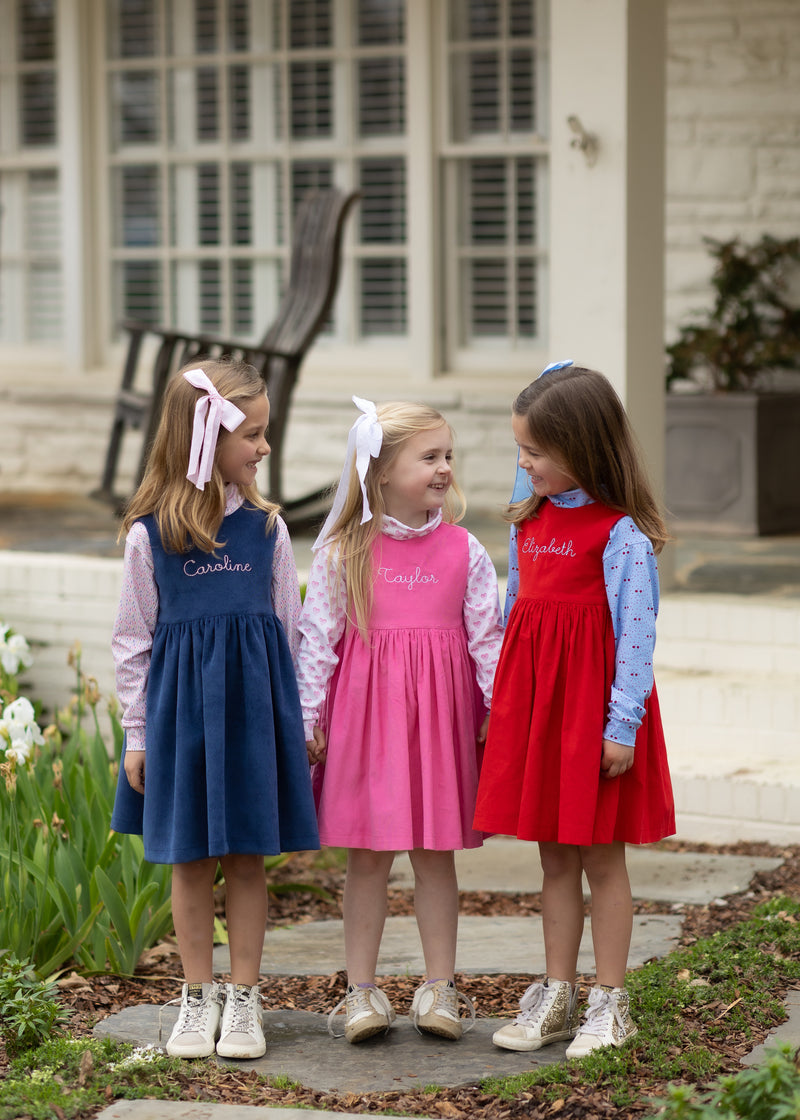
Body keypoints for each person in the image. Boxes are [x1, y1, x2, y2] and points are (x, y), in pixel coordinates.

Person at [110, 360, 319, 1061]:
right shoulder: (151, 536)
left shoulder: (267, 531)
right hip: (181, 727)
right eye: (252, 435)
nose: (263, 449)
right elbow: (133, 641)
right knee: (191, 863)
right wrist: (137, 736)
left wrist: (303, 718)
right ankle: (195, 999)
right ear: (203, 438)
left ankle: (245, 998)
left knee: (249, 861)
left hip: (253, 722)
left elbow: (291, 630)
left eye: (265, 434)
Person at [473, 361, 674, 1060]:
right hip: (540, 709)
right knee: (553, 858)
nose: (523, 464)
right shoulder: (530, 517)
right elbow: (516, 607)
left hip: (592, 716)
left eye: (534, 452)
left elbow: (638, 636)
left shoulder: (620, 535)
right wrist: (503, 702)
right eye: (519, 452)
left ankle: (610, 1000)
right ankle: (558, 992)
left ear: (582, 449)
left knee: (600, 858)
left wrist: (621, 724)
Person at [296, 397, 504, 1044]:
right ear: (380, 472)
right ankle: (360, 992)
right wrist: (308, 715)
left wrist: (497, 708)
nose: (445, 469)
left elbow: (486, 637)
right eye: (429, 457)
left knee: (436, 855)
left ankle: (439, 987)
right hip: (366, 725)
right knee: (368, 858)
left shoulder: (465, 550)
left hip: (440, 724)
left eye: (448, 456)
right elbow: (318, 640)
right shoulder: (342, 554)